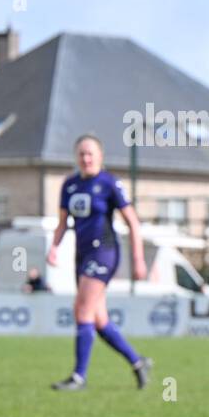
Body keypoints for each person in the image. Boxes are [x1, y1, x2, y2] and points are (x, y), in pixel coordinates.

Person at [47, 134, 153, 390]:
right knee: (98, 319)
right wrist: (54, 247)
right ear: (76, 157)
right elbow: (63, 223)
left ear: (100, 156)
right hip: (82, 255)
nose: (86, 158)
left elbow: (133, 222)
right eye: (81, 153)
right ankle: (137, 362)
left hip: (104, 252)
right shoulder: (70, 185)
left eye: (90, 153)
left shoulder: (109, 183)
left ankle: (78, 377)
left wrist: (138, 259)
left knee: (82, 309)